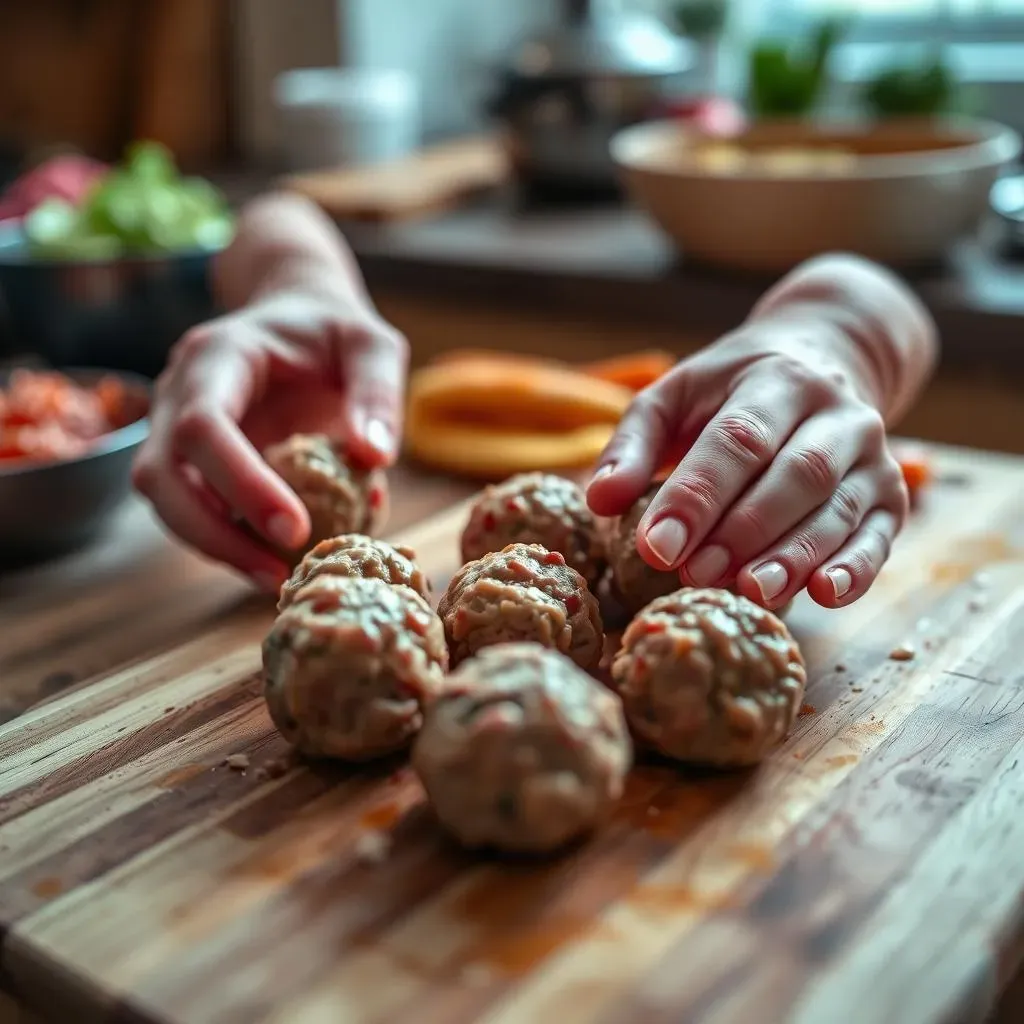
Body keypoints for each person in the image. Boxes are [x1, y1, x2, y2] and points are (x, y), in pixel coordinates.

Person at [133, 192, 937, 610]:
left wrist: (834, 343)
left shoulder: (686, 438)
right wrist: (300, 279)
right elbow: (272, 211)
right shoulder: (359, 411)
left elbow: (882, 294)